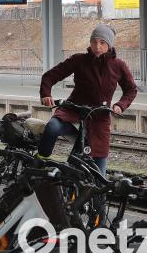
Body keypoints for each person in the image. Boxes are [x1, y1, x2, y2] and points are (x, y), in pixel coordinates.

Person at [37, 24, 137, 176]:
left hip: (99, 117)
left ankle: (97, 197)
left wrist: (120, 106)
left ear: (109, 45)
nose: (97, 46)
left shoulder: (118, 66)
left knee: (99, 174)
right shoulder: (79, 60)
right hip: (72, 110)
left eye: (102, 42)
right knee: (52, 128)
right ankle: (39, 162)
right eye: (94, 42)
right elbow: (50, 76)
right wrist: (46, 93)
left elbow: (131, 89)